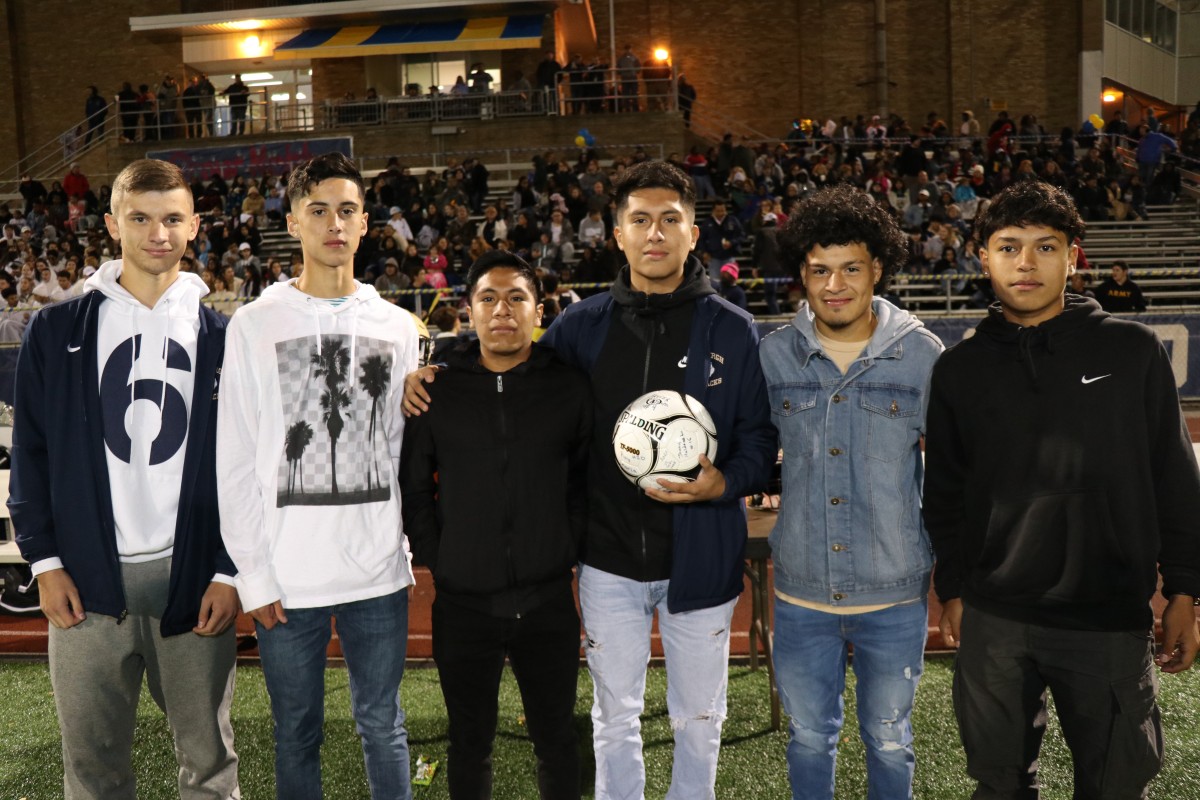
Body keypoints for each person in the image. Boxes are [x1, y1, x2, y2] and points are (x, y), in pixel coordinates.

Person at [404, 160, 776, 800]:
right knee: (613, 720)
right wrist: (439, 367)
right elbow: (514, 366)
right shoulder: (583, 327)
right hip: (606, 562)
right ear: (618, 233)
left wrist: (726, 484)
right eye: (640, 220)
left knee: (698, 720)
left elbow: (760, 439)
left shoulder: (733, 330)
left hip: (702, 555)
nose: (654, 233)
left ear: (693, 234)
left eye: (669, 220)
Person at [923, 179, 1200, 798]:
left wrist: (1186, 590)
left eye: (1046, 247)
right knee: (999, 786)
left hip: (1105, 619)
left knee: (1112, 786)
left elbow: (1174, 479)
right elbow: (943, 492)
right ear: (983, 255)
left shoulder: (1134, 351)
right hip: (995, 616)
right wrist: (955, 589)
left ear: (1074, 256)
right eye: (1009, 246)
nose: (1026, 263)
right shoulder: (958, 370)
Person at [8, 158, 240, 798]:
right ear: (112, 223)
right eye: (140, 218)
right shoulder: (55, 331)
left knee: (210, 763)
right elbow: (30, 451)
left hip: (191, 576)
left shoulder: (226, 337)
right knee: (93, 767)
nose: (156, 234)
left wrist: (227, 571)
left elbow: (247, 465)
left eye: (171, 219)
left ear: (194, 225)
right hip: (84, 577)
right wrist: (45, 559)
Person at [217, 152, 421, 800]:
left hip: (377, 572)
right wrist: (253, 572)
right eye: (319, 210)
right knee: (295, 732)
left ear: (365, 225)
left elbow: (398, 450)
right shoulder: (254, 324)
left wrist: (401, 543)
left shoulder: (397, 327)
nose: (335, 222)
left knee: (383, 725)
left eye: (348, 210)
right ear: (296, 223)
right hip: (287, 577)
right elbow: (237, 457)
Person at [760, 184, 943, 800]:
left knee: (890, 740)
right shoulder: (774, 356)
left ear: (878, 269)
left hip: (892, 595)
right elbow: (747, 451)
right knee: (809, 737)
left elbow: (952, 476)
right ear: (802, 277)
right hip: (801, 593)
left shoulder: (922, 356)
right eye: (819, 270)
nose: (835, 284)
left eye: (851, 268)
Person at [401, 250, 592, 799]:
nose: (502, 310)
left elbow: (584, 481)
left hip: (546, 601)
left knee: (556, 738)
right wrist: (445, 557)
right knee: (469, 741)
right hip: (463, 605)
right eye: (488, 298)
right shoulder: (437, 391)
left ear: (538, 310)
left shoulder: (568, 388)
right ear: (469, 310)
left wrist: (564, 546)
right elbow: (415, 488)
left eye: (516, 298)